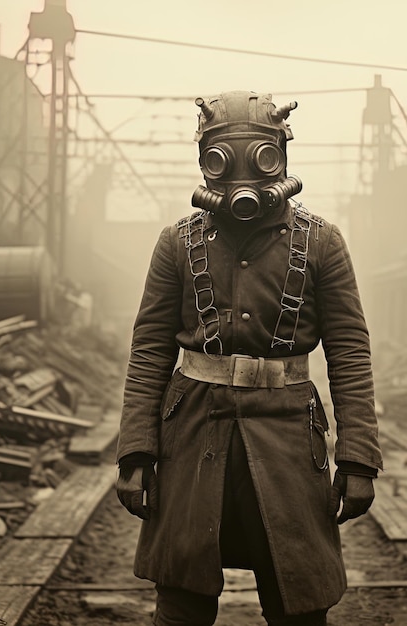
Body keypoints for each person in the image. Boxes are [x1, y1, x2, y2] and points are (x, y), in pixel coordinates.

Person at [116, 90, 383, 626]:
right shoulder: (177, 242)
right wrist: (135, 453)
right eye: (221, 157)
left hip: (287, 443)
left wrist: (358, 459)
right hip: (193, 439)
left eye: (259, 155)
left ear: (280, 155)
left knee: (298, 601)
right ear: (205, 162)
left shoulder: (322, 243)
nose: (241, 171)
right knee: (181, 601)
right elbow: (149, 350)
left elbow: (350, 353)